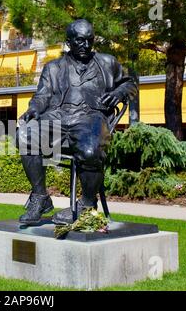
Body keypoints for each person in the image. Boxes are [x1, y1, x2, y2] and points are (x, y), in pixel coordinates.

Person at [17, 19, 137, 225]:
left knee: (90, 152)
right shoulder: (53, 68)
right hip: (58, 116)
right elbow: (42, 96)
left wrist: (118, 92)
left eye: (89, 40)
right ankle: (40, 197)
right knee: (25, 134)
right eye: (80, 41)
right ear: (68, 42)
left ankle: (87, 205)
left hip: (91, 118)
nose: (85, 45)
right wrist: (33, 109)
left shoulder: (107, 62)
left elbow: (131, 83)